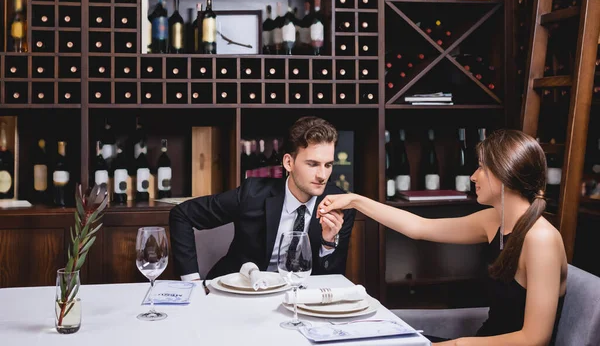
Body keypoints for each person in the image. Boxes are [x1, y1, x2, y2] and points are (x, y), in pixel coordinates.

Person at [317, 129, 567, 346]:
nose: (473, 176)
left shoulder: (540, 239)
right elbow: (419, 227)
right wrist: (355, 200)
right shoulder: (493, 221)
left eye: (481, 167)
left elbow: (535, 339)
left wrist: (456, 343)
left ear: (504, 174)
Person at [170, 116, 356, 281]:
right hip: (239, 294)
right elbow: (182, 214)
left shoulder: (339, 206)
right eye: (313, 164)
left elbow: (332, 280)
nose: (323, 175)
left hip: (299, 302)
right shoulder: (253, 194)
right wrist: (191, 281)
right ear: (288, 163)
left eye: (328, 165)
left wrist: (328, 244)